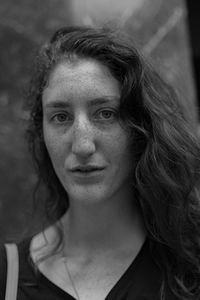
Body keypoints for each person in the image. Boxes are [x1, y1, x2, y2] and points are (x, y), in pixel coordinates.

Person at [1, 25, 200, 300]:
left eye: (105, 114)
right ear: (42, 131)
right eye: (61, 117)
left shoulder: (190, 265)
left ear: (141, 127)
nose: (82, 145)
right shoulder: (8, 278)